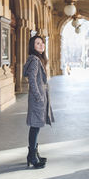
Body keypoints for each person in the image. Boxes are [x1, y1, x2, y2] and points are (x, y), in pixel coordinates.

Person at [23, 35, 55, 169]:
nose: (41, 45)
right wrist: (39, 97)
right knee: (35, 127)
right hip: (38, 99)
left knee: (36, 127)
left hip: (40, 97)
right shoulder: (35, 60)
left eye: (42, 43)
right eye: (37, 43)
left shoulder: (38, 59)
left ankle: (34, 153)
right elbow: (31, 80)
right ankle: (32, 156)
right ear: (32, 46)